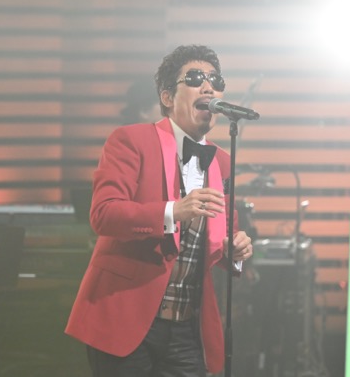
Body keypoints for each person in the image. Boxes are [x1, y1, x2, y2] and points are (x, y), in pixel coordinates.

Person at [65, 45, 253, 377]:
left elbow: (225, 236)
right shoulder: (131, 140)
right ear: (167, 97)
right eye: (194, 78)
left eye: (216, 80)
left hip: (187, 328)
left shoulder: (222, 162)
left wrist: (235, 248)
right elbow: (104, 214)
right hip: (126, 317)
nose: (208, 87)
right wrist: (173, 211)